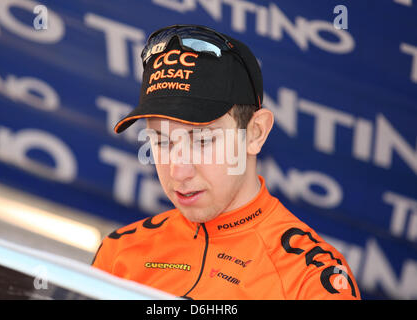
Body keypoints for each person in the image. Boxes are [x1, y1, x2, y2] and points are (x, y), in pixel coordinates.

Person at [92, 24, 361, 300]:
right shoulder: (119, 253)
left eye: (202, 140)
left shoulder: (312, 280)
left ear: (255, 133)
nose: (178, 171)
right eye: (161, 141)